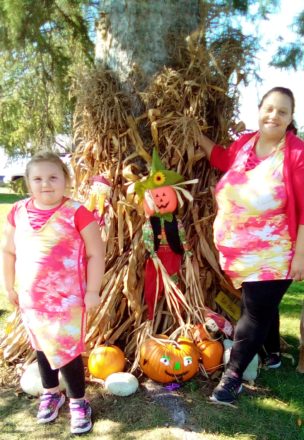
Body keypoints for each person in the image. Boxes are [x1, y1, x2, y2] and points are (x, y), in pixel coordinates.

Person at [198, 87, 304, 405]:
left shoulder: (296, 152)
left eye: (282, 111)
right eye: (269, 108)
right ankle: (272, 353)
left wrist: (300, 253)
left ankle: (232, 379)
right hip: (238, 250)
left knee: (254, 312)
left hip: (277, 248)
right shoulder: (245, 143)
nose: (274, 115)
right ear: (259, 109)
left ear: (289, 119)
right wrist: (196, 137)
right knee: (257, 305)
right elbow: (222, 158)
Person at [1, 151, 106, 433]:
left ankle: (78, 401)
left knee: (68, 351)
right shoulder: (18, 212)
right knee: (41, 346)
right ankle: (51, 392)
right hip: (32, 299)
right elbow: (8, 251)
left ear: (66, 180)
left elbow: (96, 254)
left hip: (67, 301)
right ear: (27, 183)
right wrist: (8, 285)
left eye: (52, 177)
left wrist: (93, 290)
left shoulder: (78, 213)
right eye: (37, 178)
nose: (45, 184)